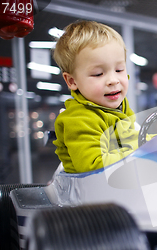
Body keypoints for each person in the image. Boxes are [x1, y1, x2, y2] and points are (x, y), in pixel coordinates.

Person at [52, 20, 138, 173]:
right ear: (72, 81)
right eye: (98, 73)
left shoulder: (120, 107)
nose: (113, 80)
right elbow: (94, 165)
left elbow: (133, 138)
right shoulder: (79, 120)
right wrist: (143, 151)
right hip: (91, 194)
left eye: (119, 70)